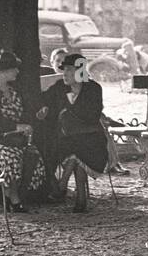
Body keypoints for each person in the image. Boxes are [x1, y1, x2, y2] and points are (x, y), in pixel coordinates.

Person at [0, 49, 56, 212]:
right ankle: (14, 199)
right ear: (3, 71)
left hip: (17, 137)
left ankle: (19, 193)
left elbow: (27, 109)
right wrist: (15, 127)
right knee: (10, 156)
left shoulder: (15, 88)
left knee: (34, 155)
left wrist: (36, 115)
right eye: (14, 69)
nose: (17, 72)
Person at [37, 53, 110, 209]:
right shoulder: (59, 88)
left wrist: (69, 110)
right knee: (75, 150)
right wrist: (45, 107)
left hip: (92, 138)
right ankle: (81, 198)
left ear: (81, 71)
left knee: (78, 149)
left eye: (70, 70)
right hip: (67, 138)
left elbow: (93, 116)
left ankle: (63, 185)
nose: (65, 73)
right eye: (64, 70)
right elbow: (44, 98)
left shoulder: (93, 89)